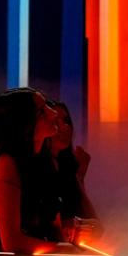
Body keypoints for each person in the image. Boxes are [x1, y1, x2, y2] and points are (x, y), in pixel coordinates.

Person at [0, 87, 70, 254]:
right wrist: (65, 252)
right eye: (42, 111)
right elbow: (11, 242)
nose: (53, 113)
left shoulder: (44, 161)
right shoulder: (7, 164)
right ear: (24, 123)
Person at [38, 101, 102, 245]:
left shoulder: (66, 167)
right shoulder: (33, 166)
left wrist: (79, 177)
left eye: (66, 121)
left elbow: (97, 226)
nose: (64, 127)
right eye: (56, 121)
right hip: (40, 255)